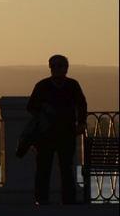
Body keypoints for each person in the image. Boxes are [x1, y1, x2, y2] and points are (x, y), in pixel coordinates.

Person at [26, 55, 87, 206]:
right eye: (53, 66)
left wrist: (81, 123)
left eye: (59, 66)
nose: (56, 69)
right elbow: (31, 106)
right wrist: (42, 112)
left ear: (66, 68)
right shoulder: (42, 86)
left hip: (66, 132)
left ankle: (69, 199)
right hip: (45, 134)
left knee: (66, 167)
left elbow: (82, 104)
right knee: (43, 166)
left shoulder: (73, 85)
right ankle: (41, 198)